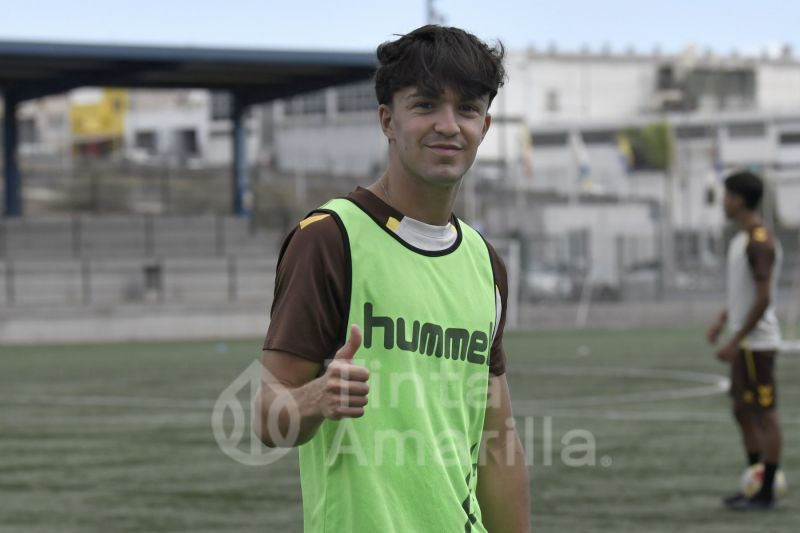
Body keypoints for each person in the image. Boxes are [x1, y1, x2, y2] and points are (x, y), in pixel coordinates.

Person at [254, 25, 530, 532]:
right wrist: (316, 398)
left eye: (467, 109)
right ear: (388, 119)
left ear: (485, 126)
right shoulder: (330, 238)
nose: (449, 125)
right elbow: (268, 418)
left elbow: (498, 440)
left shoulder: (484, 262)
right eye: (425, 105)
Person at [706, 170, 783, 511]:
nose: (722, 202)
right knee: (741, 410)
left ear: (738, 199)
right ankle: (754, 480)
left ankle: (766, 490)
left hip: (756, 344)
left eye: (726, 195)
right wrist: (723, 318)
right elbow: (746, 291)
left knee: (764, 414)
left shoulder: (759, 240)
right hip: (745, 341)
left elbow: (763, 297)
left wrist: (735, 340)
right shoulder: (741, 238)